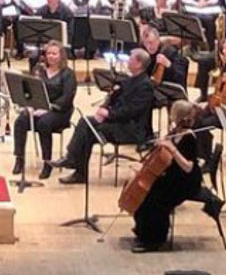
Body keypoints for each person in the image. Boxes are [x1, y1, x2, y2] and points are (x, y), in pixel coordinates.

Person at [130, 99, 224, 253]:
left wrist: (172, 149)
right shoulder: (175, 132)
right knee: (146, 192)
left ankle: (155, 240)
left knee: (157, 199)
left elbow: (188, 167)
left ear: (177, 116)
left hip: (186, 182)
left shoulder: (189, 137)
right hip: (174, 177)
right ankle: (144, 232)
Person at [53, 48, 154, 184]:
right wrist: (104, 107)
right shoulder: (130, 80)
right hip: (119, 123)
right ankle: (76, 166)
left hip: (132, 129)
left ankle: (74, 163)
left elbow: (131, 111)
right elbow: (116, 100)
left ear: (139, 64)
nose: (127, 61)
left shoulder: (145, 85)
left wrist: (108, 114)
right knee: (86, 124)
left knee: (88, 129)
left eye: (130, 59)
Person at [11, 39, 77, 181]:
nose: (51, 56)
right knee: (20, 121)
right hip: (38, 108)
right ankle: (19, 158)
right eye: (49, 53)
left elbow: (67, 98)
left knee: (44, 123)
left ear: (61, 56)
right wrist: (29, 105)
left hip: (60, 112)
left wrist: (47, 109)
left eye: (54, 54)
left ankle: (47, 162)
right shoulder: (39, 70)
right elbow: (29, 90)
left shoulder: (68, 74)